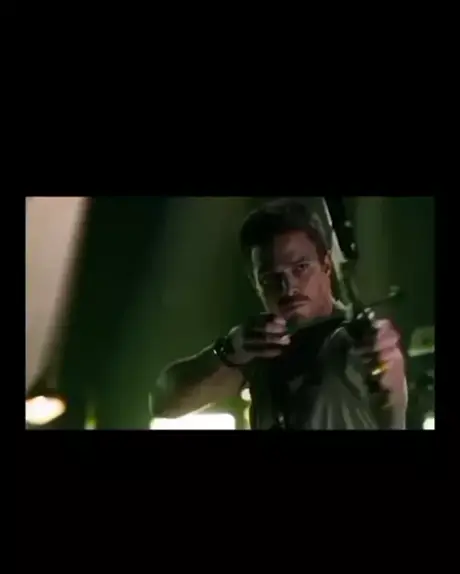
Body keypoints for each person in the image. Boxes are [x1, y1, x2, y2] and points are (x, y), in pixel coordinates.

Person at [152, 199, 408, 430]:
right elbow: (164, 403)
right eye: (270, 278)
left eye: (300, 267)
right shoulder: (261, 351)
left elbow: (389, 392)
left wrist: (387, 370)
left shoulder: (352, 342)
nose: (288, 287)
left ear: (327, 265)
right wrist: (230, 349)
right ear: (255, 283)